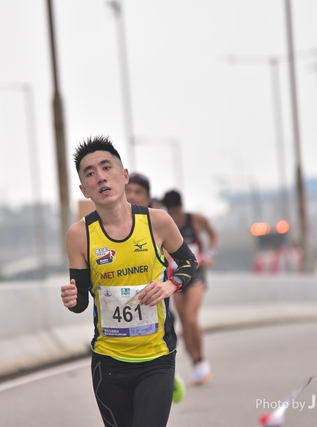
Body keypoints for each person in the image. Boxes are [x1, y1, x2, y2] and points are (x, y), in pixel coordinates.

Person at [60, 136, 199, 427]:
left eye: (106, 167)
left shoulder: (157, 222)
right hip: (108, 363)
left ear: (123, 176)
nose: (100, 177)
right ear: (84, 190)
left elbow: (190, 264)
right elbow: (81, 300)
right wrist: (73, 300)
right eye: (90, 173)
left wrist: (169, 285)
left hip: (156, 358)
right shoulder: (79, 235)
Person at [162, 189, 218, 386]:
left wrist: (210, 254)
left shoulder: (196, 220)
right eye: (170, 211)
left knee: (192, 318)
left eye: (176, 211)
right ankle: (196, 364)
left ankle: (201, 359)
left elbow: (213, 235)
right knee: (184, 322)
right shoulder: (165, 223)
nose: (175, 216)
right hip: (176, 278)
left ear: (181, 207)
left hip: (196, 275)